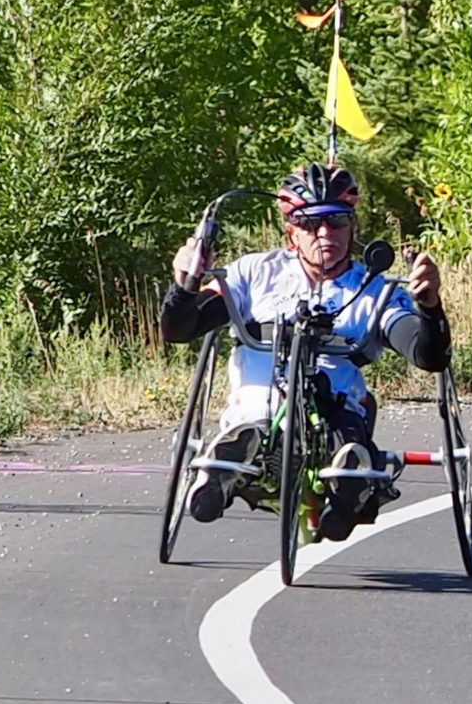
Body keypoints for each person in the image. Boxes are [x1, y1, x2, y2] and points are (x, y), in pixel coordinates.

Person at [160, 165, 451, 541]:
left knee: (344, 432)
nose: (325, 233)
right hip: (259, 404)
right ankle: (226, 469)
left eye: (337, 221)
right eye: (311, 224)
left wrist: (429, 306)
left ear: (353, 226)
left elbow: (427, 356)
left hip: (336, 408)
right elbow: (179, 329)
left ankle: (349, 480)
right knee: (255, 424)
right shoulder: (253, 274)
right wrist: (185, 284)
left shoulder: (374, 289)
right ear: (291, 231)